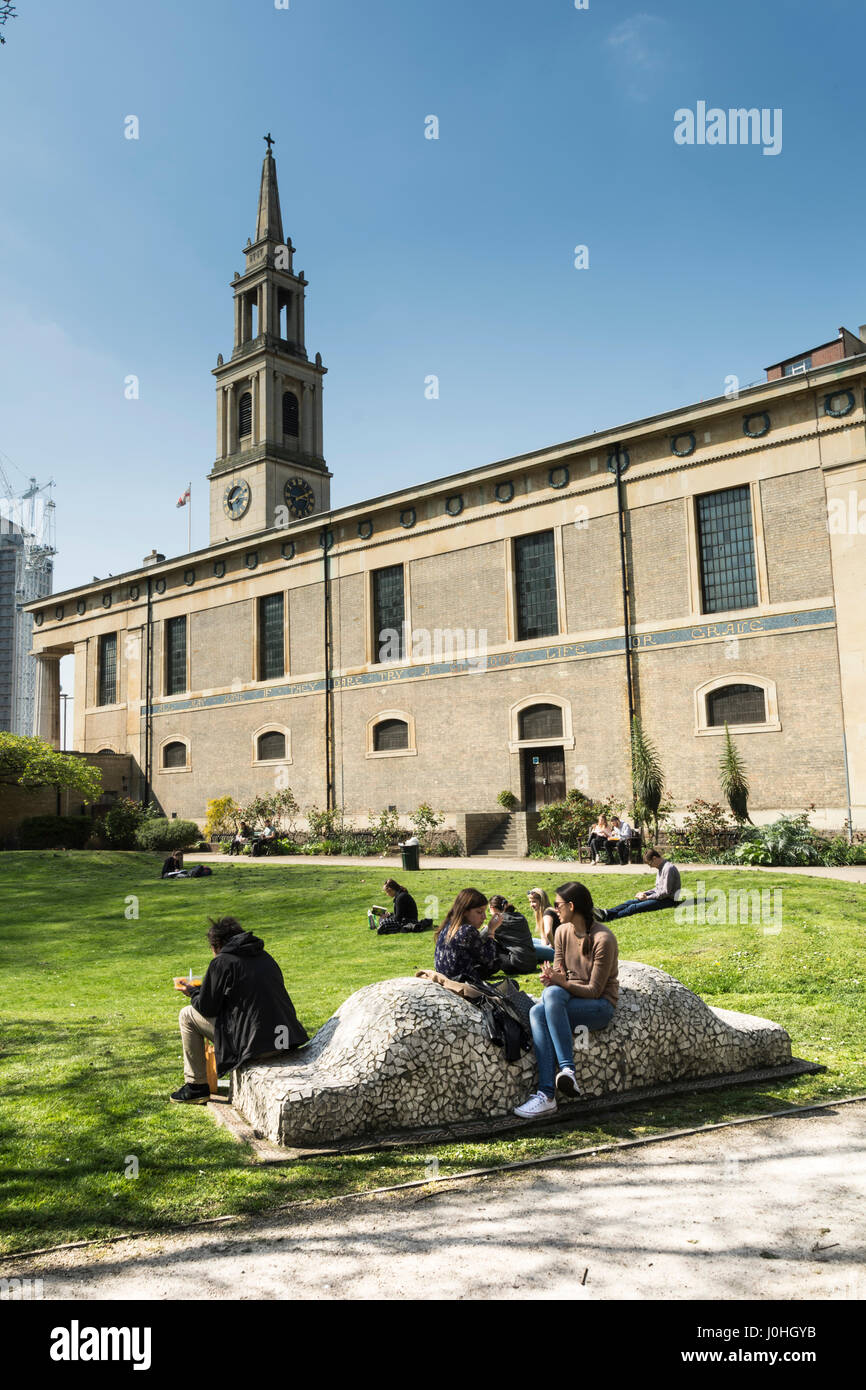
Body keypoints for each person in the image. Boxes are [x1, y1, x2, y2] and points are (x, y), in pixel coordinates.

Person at [170, 915, 308, 1103]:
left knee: (187, 1014)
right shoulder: (264, 956)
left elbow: (207, 1008)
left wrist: (193, 993)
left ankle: (196, 1086)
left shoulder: (222, 961)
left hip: (256, 1046)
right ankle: (197, 1085)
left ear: (216, 945)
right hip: (285, 1041)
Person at [514, 881, 618, 1119]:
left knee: (546, 1003)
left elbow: (594, 990)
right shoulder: (562, 931)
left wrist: (560, 983)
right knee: (537, 1011)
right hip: (569, 997)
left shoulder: (604, 938)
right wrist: (551, 978)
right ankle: (548, 1094)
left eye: (558, 905)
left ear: (571, 906)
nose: (555, 909)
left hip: (599, 1006)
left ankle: (563, 1075)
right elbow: (561, 973)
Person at [433, 888, 501, 985]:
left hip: (446, 984)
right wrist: (491, 931)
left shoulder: (448, 926)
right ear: (465, 911)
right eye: (479, 912)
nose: (484, 917)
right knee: (512, 984)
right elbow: (489, 961)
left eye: (484, 912)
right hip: (464, 988)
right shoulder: (467, 930)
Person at [595, 848, 681, 919]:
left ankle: (608, 918)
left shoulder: (668, 869)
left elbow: (666, 892)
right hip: (661, 897)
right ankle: (606, 912)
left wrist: (647, 898)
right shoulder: (661, 868)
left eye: (650, 863)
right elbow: (658, 888)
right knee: (630, 902)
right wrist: (645, 893)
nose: (650, 867)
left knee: (634, 907)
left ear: (654, 858)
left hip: (669, 900)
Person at [483, 895, 536, 976]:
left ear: (491, 907)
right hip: (532, 963)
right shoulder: (521, 917)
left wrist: (488, 928)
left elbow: (480, 937)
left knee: (487, 942)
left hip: (516, 965)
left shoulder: (499, 920)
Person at [527, 886, 559, 963]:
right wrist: (545, 946)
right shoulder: (543, 912)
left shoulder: (548, 913)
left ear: (541, 901)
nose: (531, 904)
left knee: (525, 947)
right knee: (527, 941)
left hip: (558, 951)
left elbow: (548, 932)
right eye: (530, 902)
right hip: (552, 946)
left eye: (534, 901)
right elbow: (544, 936)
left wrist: (553, 945)